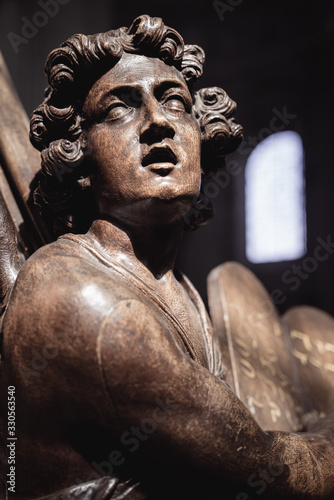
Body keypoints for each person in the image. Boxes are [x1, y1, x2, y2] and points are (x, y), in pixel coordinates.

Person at [0, 15, 333, 500]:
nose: (158, 122)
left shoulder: (172, 285)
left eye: (175, 101)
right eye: (119, 108)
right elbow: (267, 474)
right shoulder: (75, 296)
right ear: (78, 153)